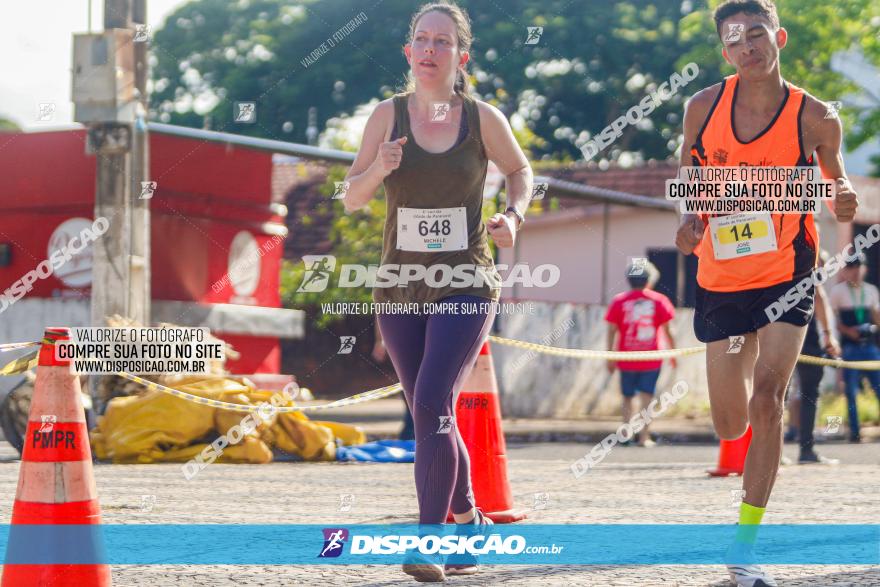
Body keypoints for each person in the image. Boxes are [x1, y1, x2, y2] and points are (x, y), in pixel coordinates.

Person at [341, 1, 533, 581]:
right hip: (400, 284)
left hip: (466, 281)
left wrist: (514, 217)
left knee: (430, 403)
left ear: (460, 55)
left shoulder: (482, 119)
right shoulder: (386, 116)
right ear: (408, 52)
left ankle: (429, 540)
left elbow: (522, 172)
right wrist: (380, 166)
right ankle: (469, 520)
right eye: (421, 40)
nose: (429, 50)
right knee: (432, 413)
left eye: (442, 42)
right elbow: (351, 196)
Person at [674, 1, 858, 585]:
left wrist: (844, 197)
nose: (748, 46)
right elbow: (691, 174)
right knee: (730, 424)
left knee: (767, 399)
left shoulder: (816, 116)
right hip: (722, 276)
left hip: (788, 270)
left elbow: (837, 178)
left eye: (757, 34)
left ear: (777, 36)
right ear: (724, 51)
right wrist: (689, 219)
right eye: (735, 40)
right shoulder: (702, 108)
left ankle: (745, 545)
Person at [604, 260, 676, 447]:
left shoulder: (619, 301)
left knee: (627, 397)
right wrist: (674, 354)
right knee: (647, 397)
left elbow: (611, 330)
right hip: (651, 358)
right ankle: (644, 437)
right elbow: (669, 331)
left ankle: (626, 434)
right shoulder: (659, 300)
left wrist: (610, 356)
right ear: (650, 280)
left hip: (626, 357)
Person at [793, 250, 841, 463]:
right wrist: (829, 337)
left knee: (774, 393)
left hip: (775, 332)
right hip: (805, 335)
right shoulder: (809, 264)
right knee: (809, 394)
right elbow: (819, 297)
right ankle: (806, 450)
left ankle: (770, 453)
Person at [829, 252, 880, 443]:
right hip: (849, 347)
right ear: (845, 271)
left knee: (878, 387)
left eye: (859, 267)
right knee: (850, 391)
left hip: (870, 346)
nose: (856, 271)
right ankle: (855, 432)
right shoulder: (838, 292)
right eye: (852, 268)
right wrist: (848, 332)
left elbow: (875, 315)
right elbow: (833, 320)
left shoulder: (871, 290)